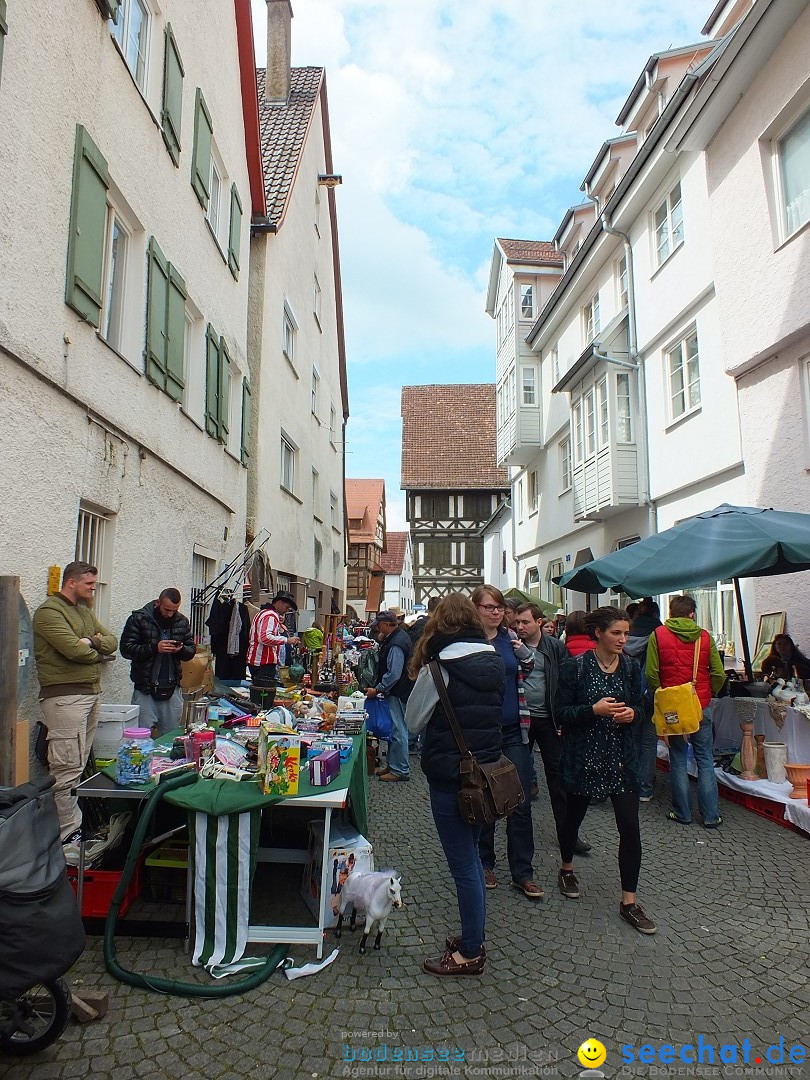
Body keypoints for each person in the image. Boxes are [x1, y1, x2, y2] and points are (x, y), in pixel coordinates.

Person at [405, 593, 504, 976]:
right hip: (485, 773)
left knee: (464, 865)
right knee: (474, 858)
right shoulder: (494, 660)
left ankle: (471, 952)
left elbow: (413, 722)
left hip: (451, 776)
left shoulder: (438, 668)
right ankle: (471, 934)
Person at [555, 607, 655, 934]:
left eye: (626, 633)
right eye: (617, 633)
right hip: (585, 757)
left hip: (621, 759)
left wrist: (633, 714)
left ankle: (629, 902)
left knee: (630, 826)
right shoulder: (576, 667)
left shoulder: (630, 666)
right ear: (598, 633)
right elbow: (561, 713)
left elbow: (643, 707)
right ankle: (567, 867)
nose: (624, 639)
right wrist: (592, 710)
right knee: (574, 817)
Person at [32, 561, 118, 841]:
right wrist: (95, 649)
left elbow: (111, 641)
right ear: (71, 583)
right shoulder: (49, 612)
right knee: (66, 768)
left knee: (78, 764)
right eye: (89, 585)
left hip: (89, 693)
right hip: (65, 698)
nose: (93, 589)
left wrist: (90, 642)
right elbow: (72, 650)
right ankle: (68, 836)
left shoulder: (83, 611)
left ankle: (72, 830)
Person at [472, 585, 541, 899]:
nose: (496, 612)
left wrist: (522, 651)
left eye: (499, 607)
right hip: (483, 731)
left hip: (515, 729)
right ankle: (484, 862)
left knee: (520, 800)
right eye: (489, 607)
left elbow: (528, 667)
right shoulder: (467, 641)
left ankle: (522, 872)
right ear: (476, 610)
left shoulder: (509, 639)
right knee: (486, 799)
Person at [514, 603, 592, 856]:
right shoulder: (512, 646)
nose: (520, 627)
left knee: (559, 780)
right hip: (521, 718)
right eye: (517, 623)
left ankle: (567, 834)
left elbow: (568, 682)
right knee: (518, 779)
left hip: (549, 719)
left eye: (525, 622)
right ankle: (518, 838)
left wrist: (564, 717)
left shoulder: (555, 647)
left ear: (539, 622)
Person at [645, 594, 726, 828]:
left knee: (678, 757)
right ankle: (711, 815)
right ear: (692, 614)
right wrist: (707, 695)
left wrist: (661, 694)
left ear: (670, 613)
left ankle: (683, 813)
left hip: (672, 707)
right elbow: (718, 674)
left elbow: (651, 673)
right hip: (700, 705)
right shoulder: (704, 637)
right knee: (705, 758)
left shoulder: (657, 635)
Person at [120, 589, 196, 736]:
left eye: (174, 610)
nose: (170, 614)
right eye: (167, 609)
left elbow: (191, 651)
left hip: (172, 688)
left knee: (171, 739)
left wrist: (180, 650)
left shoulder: (182, 621)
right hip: (145, 690)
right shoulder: (139, 619)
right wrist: (155, 648)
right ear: (157, 602)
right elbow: (126, 649)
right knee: (140, 740)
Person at [367, 610, 415, 782]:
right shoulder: (398, 637)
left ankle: (400, 769)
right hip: (400, 689)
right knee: (396, 728)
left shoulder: (396, 643)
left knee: (398, 729)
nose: (377, 629)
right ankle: (393, 765)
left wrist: (378, 689)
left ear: (387, 625)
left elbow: (394, 673)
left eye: (379, 625)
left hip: (398, 690)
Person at [624, 598, 663, 802]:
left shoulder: (626, 633)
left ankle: (631, 782)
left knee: (632, 738)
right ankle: (645, 788)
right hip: (652, 692)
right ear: (656, 614)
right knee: (649, 741)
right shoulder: (660, 633)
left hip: (631, 692)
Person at [246, 590, 300, 705]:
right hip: (263, 662)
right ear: (279, 603)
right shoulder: (270, 615)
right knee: (263, 698)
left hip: (258, 660)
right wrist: (287, 640)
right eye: (286, 606)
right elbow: (265, 638)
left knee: (259, 696)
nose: (287, 610)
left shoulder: (263, 613)